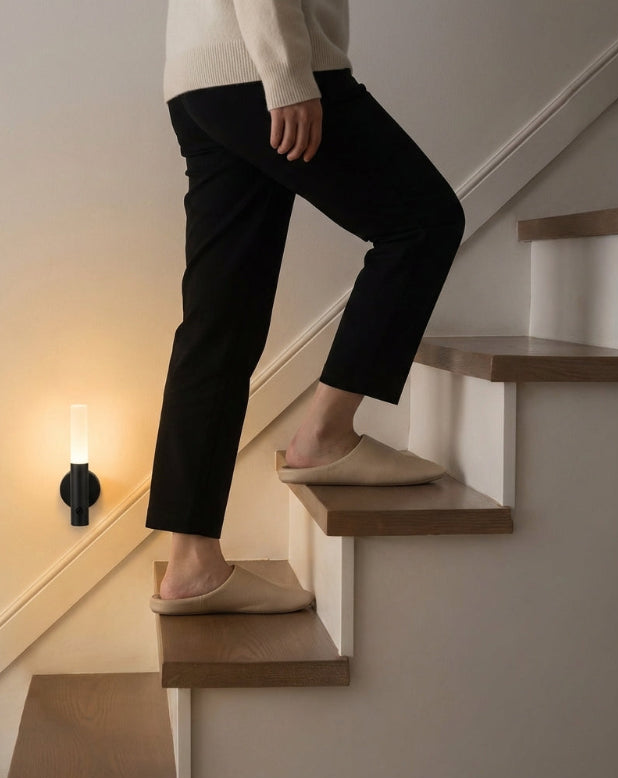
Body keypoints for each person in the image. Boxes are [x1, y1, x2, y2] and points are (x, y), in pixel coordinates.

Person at [147, 0, 465, 615]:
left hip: (199, 78)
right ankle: (323, 435)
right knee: (423, 224)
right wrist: (289, 74)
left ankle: (190, 563)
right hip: (262, 66)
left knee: (220, 323)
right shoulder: (278, 71)